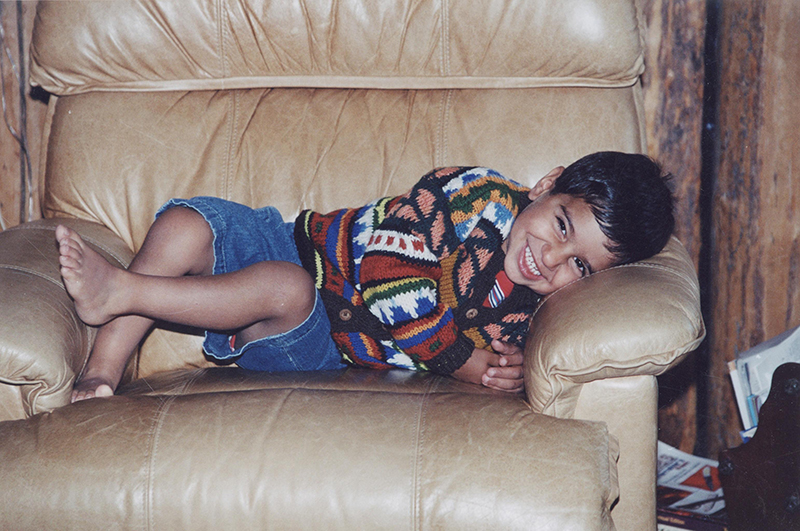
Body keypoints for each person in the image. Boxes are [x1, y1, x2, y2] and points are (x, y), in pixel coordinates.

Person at [56, 151, 674, 403]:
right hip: (294, 238)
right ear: (545, 186)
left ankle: (120, 291)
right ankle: (103, 371)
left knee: (285, 287)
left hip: (319, 336)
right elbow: (386, 274)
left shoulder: (537, 307)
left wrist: (508, 365)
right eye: (562, 226)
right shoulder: (469, 195)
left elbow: (512, 357)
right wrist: (461, 358)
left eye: (582, 267)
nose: (553, 259)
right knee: (187, 224)